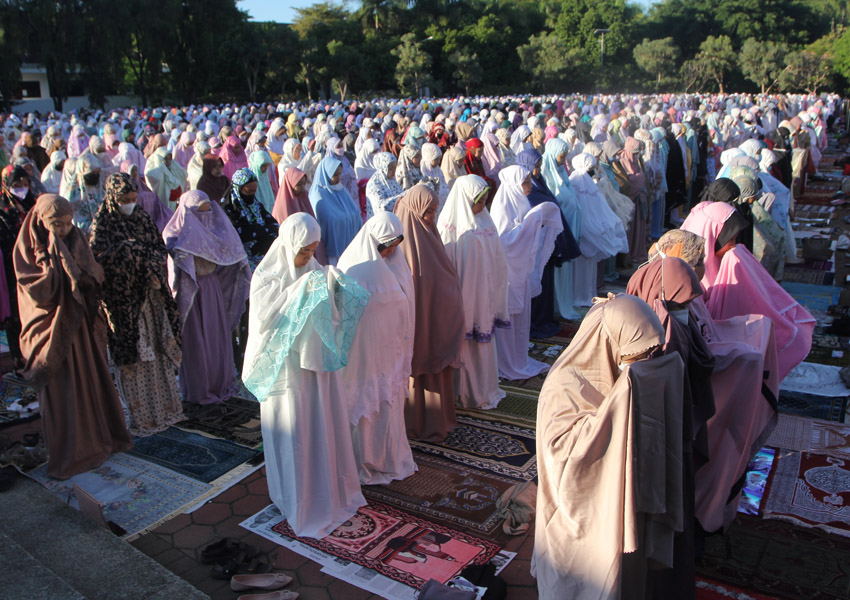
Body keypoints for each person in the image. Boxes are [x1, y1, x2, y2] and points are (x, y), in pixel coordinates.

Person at [533, 294, 685, 600]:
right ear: (610, 342)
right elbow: (561, 455)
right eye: (639, 356)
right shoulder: (563, 385)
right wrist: (618, 409)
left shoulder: (625, 374)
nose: (647, 363)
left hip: (617, 496)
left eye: (653, 353)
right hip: (580, 518)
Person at [243, 212, 368, 539]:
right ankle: (298, 500)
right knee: (296, 436)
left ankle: (327, 493)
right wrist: (302, 291)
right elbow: (265, 323)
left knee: (321, 429)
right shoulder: (267, 277)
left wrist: (333, 286)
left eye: (313, 250)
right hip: (288, 374)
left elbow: (328, 312)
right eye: (303, 251)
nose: (308, 257)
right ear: (289, 245)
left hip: (316, 372)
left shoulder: (313, 269)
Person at [14, 194, 133, 480]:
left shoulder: (75, 238)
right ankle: (70, 451)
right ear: (42, 222)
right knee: (64, 389)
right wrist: (59, 265)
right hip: (53, 331)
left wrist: (83, 273)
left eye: (68, 223)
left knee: (89, 382)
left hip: (79, 330)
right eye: (57, 224)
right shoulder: (28, 248)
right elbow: (35, 290)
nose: (64, 229)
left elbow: (92, 275)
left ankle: (97, 439)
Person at [627, 257, 717, 598]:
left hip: (666, 448)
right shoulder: (644, 333)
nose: (684, 311)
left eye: (686, 304)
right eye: (679, 303)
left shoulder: (669, 328)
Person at [90, 173, 184, 437]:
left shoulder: (142, 219)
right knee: (135, 358)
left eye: (133, 199)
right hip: (126, 307)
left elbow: (158, 250)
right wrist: (128, 254)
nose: (130, 204)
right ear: (113, 198)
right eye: (124, 200)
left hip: (152, 300)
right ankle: (141, 419)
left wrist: (144, 259)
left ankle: (167, 411)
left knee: (158, 353)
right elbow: (99, 261)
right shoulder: (104, 224)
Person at [682, 200, 814, 380]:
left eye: (735, 239)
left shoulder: (731, 259)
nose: (733, 245)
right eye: (730, 239)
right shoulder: (684, 274)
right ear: (713, 237)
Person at [338, 212, 417, 485]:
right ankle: (363, 461)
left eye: (396, 245)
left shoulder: (397, 264)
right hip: (362, 357)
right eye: (387, 246)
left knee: (388, 405)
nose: (391, 251)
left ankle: (389, 458)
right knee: (365, 407)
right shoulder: (353, 266)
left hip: (390, 353)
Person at [164, 190, 251, 405]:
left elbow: (233, 251)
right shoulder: (174, 234)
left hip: (212, 289)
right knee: (196, 342)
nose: (205, 218)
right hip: (190, 294)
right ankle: (199, 388)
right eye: (199, 214)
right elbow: (174, 267)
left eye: (208, 212)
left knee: (215, 338)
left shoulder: (216, 229)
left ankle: (220, 383)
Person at [394, 184, 464, 442]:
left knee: (436, 369)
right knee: (418, 371)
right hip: (416, 325)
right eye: (428, 212)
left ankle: (437, 419)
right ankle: (415, 422)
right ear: (414, 210)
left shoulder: (429, 234)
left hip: (434, 322)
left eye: (435, 211)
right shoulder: (403, 241)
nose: (432, 217)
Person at [437, 174, 510, 409]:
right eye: (480, 201)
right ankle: (462, 391)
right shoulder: (449, 227)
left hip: (483, 294)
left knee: (482, 341)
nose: (483, 206)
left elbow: (497, 258)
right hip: (463, 296)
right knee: (464, 344)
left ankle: (482, 388)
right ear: (467, 200)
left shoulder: (486, 222)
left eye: (485, 201)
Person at [490, 164, 564, 380]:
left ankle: (518, 357)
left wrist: (533, 222)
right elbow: (504, 242)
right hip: (507, 275)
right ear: (514, 184)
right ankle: (506, 361)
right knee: (507, 317)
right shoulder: (501, 207)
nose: (530, 186)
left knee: (521, 318)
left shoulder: (521, 202)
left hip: (520, 272)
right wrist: (531, 223)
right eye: (525, 182)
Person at [515, 149, 581, 339]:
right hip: (533, 249)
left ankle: (544, 319)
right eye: (535, 167)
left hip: (547, 246)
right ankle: (535, 323)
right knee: (536, 287)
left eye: (539, 166)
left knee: (545, 287)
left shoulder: (539, 184)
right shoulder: (524, 191)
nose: (538, 170)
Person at [569, 153, 628, 307]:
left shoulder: (588, 184)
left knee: (588, 271)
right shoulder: (575, 183)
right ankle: (579, 297)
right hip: (581, 233)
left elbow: (598, 208)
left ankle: (587, 295)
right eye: (591, 168)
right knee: (579, 271)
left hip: (591, 233)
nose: (593, 172)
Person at [0, 165, 36, 371]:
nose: (22, 188)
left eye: (25, 183)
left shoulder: (34, 205)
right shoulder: (2, 212)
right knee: (16, 319)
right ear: (6, 186)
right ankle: (19, 362)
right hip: (12, 274)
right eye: (16, 184)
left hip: (37, 271)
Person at [542, 137, 582, 320]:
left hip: (568, 231)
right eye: (561, 156)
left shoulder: (561, 173)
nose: (564, 160)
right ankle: (556, 307)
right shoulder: (546, 177)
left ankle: (564, 304)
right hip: (556, 235)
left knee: (565, 272)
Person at [223, 168, 279, 270]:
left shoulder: (256, 205)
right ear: (238, 189)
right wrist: (265, 230)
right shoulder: (228, 210)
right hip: (241, 262)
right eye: (248, 191)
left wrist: (264, 233)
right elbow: (240, 233)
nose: (251, 195)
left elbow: (274, 225)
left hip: (265, 258)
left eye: (254, 191)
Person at [120, 160, 173, 232]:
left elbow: (148, 191)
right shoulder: (124, 185)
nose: (135, 173)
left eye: (136, 170)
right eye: (132, 171)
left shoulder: (138, 181)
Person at [365, 152, 405, 219]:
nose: (394, 171)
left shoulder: (392, 180)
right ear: (383, 167)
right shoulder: (374, 184)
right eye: (391, 168)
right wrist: (403, 196)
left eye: (395, 168)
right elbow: (382, 207)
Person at [247, 149, 277, 215]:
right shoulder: (250, 178)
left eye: (267, 166)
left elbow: (269, 194)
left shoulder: (264, 176)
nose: (266, 168)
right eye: (263, 166)